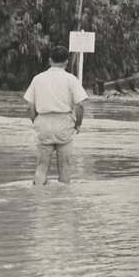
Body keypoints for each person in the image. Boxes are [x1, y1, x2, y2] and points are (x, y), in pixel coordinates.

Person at [23, 45, 88, 185]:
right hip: (64, 124)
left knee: (41, 167)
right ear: (66, 62)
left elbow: (30, 107)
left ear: (49, 60)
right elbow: (80, 105)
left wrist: (36, 120)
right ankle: (63, 202)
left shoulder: (37, 79)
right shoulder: (71, 80)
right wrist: (78, 125)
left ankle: (38, 198)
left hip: (43, 122)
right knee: (64, 166)